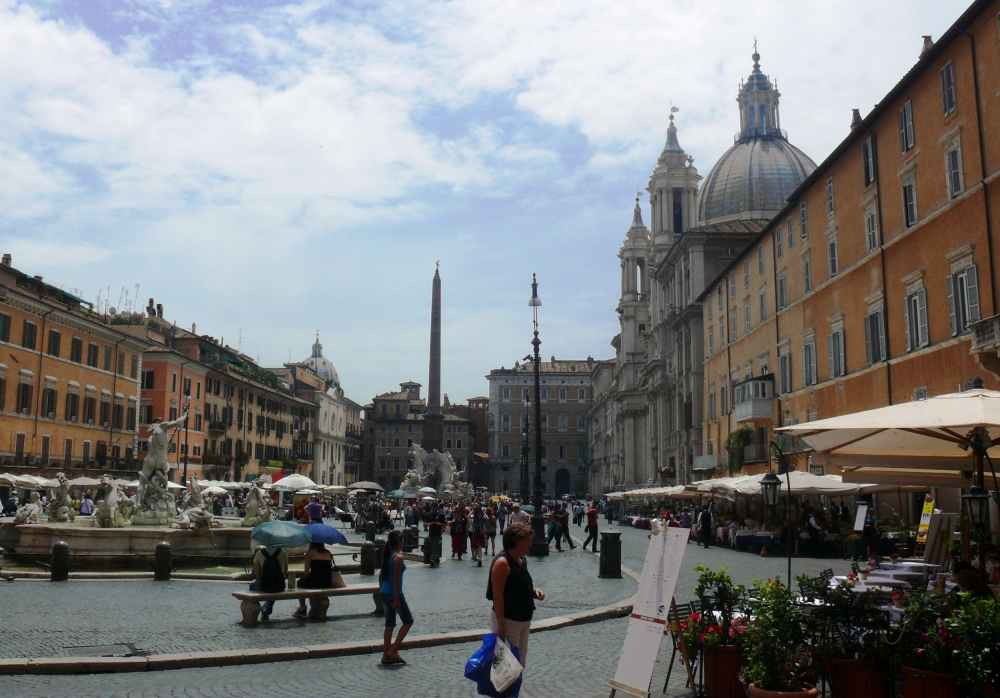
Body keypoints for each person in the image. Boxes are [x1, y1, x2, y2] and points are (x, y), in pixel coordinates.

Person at [487, 522, 545, 669]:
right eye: (527, 540)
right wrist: (501, 626)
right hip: (509, 621)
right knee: (507, 666)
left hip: (524, 621)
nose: (530, 544)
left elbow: (518, 584)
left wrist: (534, 592)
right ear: (516, 541)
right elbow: (497, 596)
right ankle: (504, 693)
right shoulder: (502, 563)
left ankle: (512, 692)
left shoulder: (520, 560)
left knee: (519, 664)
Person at [379, 530, 413, 665]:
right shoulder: (398, 558)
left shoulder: (387, 556)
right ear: (399, 542)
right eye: (402, 540)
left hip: (384, 593)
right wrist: (397, 599)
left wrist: (381, 590)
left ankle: (385, 656)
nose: (403, 542)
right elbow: (396, 579)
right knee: (408, 620)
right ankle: (393, 650)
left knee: (390, 624)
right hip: (394, 594)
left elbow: (381, 576)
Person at [293, 541, 334, 617]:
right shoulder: (328, 552)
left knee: (299, 582)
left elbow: (306, 573)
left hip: (315, 582)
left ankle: (302, 607)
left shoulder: (310, 552)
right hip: (327, 582)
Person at [250, 544, 288, 620]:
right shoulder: (284, 553)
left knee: (252, 584)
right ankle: (266, 609)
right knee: (273, 587)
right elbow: (285, 571)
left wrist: (263, 578)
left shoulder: (259, 553)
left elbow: (256, 572)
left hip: (265, 586)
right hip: (279, 586)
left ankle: (253, 608)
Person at [424, 502, 445, 567]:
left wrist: (439, 524)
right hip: (431, 533)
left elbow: (444, 524)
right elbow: (425, 524)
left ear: (436, 507)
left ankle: (432, 559)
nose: (433, 508)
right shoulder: (428, 514)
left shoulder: (440, 515)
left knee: (435, 547)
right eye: (432, 507)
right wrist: (429, 524)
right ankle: (437, 559)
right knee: (433, 546)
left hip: (437, 533)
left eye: (434, 507)